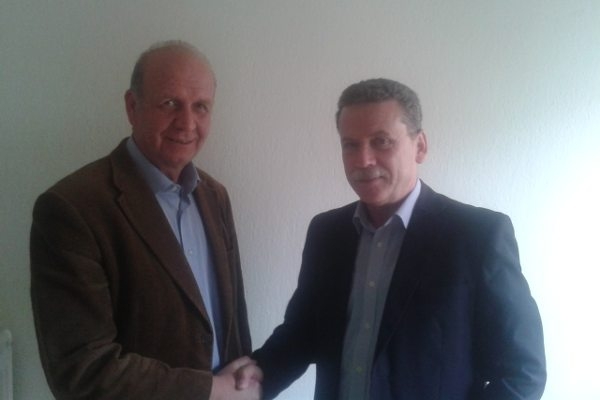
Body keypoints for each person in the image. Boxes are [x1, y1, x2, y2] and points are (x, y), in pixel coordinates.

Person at [249, 79, 546, 399]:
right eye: (350, 144)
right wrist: (254, 376)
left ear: (420, 146)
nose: (363, 160)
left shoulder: (477, 236)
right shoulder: (327, 232)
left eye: (381, 142)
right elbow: (303, 332)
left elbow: (522, 372)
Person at [30, 41, 260, 400]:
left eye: (201, 106)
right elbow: (81, 370)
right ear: (132, 106)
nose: (187, 123)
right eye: (170, 103)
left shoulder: (215, 197)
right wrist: (211, 390)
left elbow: (233, 325)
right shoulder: (71, 209)